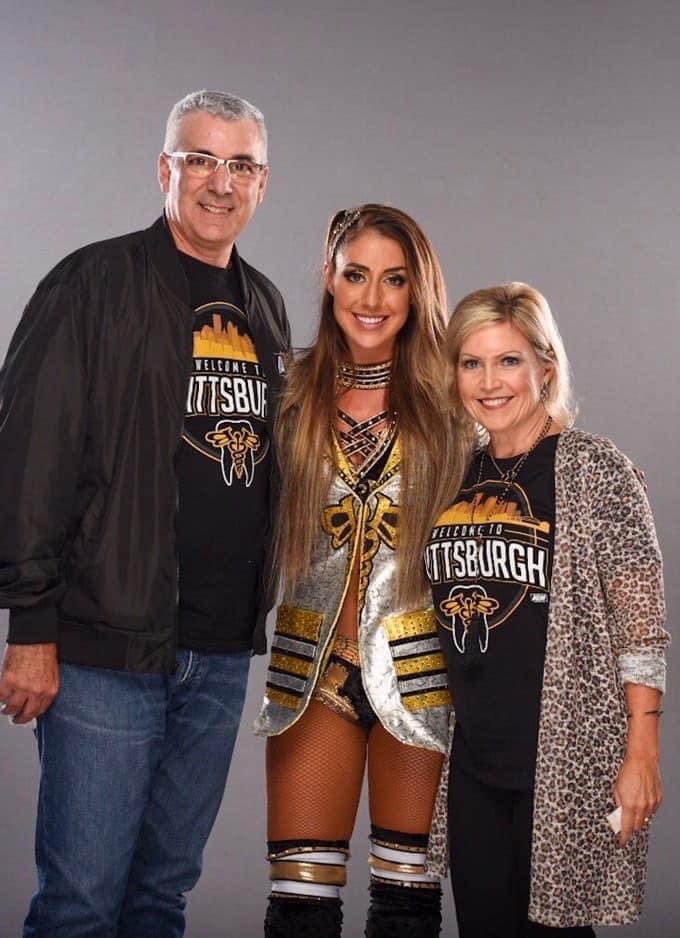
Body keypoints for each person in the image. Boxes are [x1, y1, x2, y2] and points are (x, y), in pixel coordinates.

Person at [0, 89, 291, 936]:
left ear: (263, 185)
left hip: (220, 652)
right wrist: (30, 625)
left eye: (241, 165)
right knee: (81, 903)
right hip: (104, 646)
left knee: (161, 898)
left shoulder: (265, 307)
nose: (220, 183)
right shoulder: (92, 283)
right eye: (201, 159)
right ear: (166, 169)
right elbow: (28, 459)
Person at [423, 282, 669, 936]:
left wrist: (641, 753)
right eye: (472, 363)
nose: (490, 381)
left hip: (562, 758)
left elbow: (642, 624)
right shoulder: (458, 475)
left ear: (545, 367)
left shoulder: (594, 469)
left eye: (509, 361)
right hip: (475, 759)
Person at [253, 204, 469, 937]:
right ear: (329, 277)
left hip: (425, 670)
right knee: (299, 907)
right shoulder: (285, 391)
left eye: (394, 279)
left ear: (418, 291)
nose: (372, 299)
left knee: (407, 906)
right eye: (356, 275)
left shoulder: (460, 398)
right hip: (311, 673)